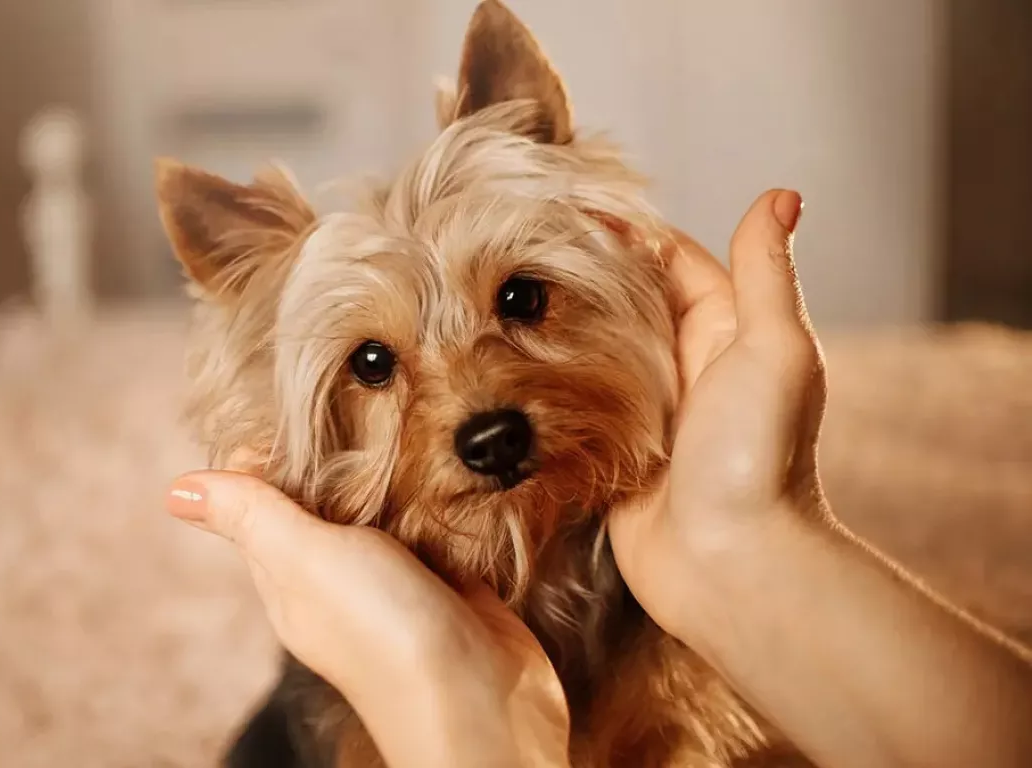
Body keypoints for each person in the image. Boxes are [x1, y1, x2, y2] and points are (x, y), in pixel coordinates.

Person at [164, 189, 1032, 768]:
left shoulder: (695, 651)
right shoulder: (327, 721)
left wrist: (750, 533)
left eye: (519, 303)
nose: (479, 403)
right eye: (375, 362)